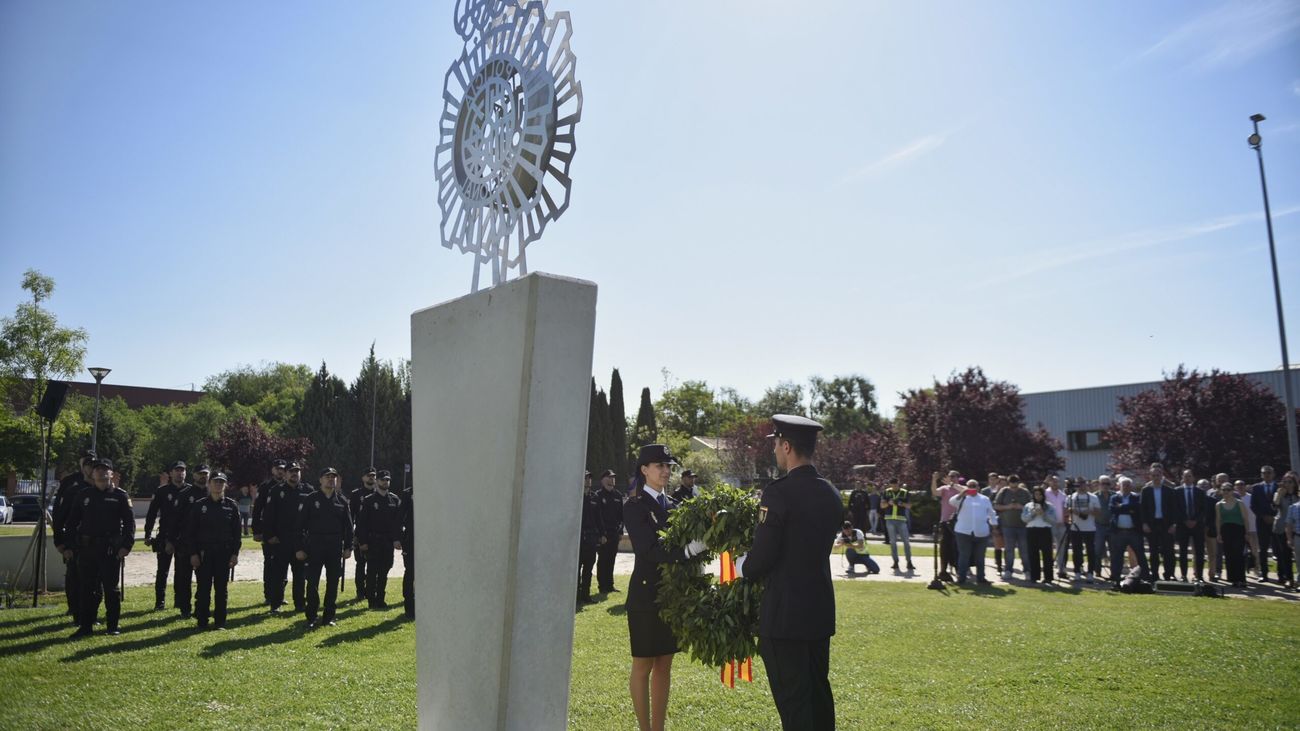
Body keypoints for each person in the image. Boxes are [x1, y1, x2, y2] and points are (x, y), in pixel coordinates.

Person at [734, 415, 841, 731]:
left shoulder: (779, 493)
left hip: (785, 616)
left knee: (795, 705)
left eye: (777, 445)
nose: (775, 452)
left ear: (788, 446)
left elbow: (764, 557)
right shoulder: (831, 492)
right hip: (819, 611)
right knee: (818, 697)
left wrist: (742, 565)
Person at [623, 444, 707, 731]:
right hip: (646, 595)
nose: (666, 470)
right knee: (643, 665)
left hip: (671, 595)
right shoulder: (634, 506)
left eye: (668, 466)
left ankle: (658, 727)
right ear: (644, 470)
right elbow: (648, 549)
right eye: (659, 465)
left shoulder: (672, 505)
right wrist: (685, 552)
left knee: (664, 664)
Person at [64, 457, 135, 637]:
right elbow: (71, 523)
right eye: (98, 470)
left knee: (111, 590)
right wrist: (69, 545)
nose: (102, 473)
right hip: (87, 550)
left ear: (111, 473)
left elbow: (129, 524)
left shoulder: (120, 496)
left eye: (105, 470)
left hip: (110, 550)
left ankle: (112, 626)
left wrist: (126, 546)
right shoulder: (84, 495)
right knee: (87, 589)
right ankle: (85, 626)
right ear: (92, 474)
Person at [296, 467, 353, 628]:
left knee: (333, 582)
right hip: (314, 545)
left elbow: (348, 527)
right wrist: (299, 548)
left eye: (333, 477)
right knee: (312, 581)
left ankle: (329, 617)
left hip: (334, 546)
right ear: (320, 480)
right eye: (327, 477)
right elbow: (299, 526)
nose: (331, 479)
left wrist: (348, 547)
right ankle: (312, 616)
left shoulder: (342, 501)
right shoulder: (311, 499)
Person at [185, 471, 241, 630]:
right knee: (203, 588)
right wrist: (193, 554)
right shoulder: (199, 505)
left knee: (221, 589)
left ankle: (220, 622)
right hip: (204, 553)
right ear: (209, 484)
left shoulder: (231, 506)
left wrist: (235, 554)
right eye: (215, 481)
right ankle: (202, 621)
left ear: (225, 485)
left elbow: (236, 534)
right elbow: (190, 533)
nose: (218, 485)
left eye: (221, 482)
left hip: (224, 553)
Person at [52, 451, 97, 623]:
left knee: (93, 579)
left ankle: (89, 612)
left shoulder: (101, 487)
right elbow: (59, 513)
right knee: (74, 576)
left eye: (93, 464)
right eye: (87, 463)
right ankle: (74, 608)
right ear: (81, 464)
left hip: (94, 542)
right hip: (74, 540)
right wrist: (60, 541)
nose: (90, 467)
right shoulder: (71, 484)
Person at [263, 461, 313, 613]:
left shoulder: (308, 490)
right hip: (281, 539)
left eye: (297, 471)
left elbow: (313, 516)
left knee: (300, 575)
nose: (294, 473)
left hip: (301, 540)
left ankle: (299, 604)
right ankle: (275, 604)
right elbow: (268, 516)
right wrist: (269, 536)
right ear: (285, 474)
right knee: (278, 574)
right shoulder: (276, 490)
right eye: (291, 471)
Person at [167, 463, 211, 618]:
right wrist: (171, 541)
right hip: (185, 544)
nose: (203, 476)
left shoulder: (212, 494)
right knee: (184, 578)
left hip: (205, 544)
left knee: (204, 579)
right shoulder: (185, 493)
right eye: (200, 473)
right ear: (194, 475)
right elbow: (175, 520)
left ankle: (201, 608)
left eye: (205, 473)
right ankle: (185, 609)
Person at [143, 460, 188, 611]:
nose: (180, 473)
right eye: (177, 470)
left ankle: (179, 601)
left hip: (183, 538)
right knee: (162, 571)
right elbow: (152, 513)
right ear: (171, 473)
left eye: (182, 470)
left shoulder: (190, 491)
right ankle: (160, 602)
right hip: (165, 535)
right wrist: (148, 533)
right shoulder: (162, 491)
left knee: (181, 571)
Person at [357, 469, 402, 609]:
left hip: (388, 542)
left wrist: (397, 539)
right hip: (373, 541)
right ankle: (371, 600)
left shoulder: (394, 500)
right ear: (377, 482)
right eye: (382, 479)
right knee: (372, 572)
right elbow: (361, 523)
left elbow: (397, 523)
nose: (385, 482)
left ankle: (381, 599)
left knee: (384, 571)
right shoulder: (369, 500)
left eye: (387, 480)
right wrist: (362, 542)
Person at [251, 458, 286, 608]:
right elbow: (257, 509)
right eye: (278, 468)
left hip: (285, 532)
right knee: (270, 564)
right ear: (273, 470)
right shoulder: (266, 487)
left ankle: (280, 595)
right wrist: (257, 531)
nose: (280, 471)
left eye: (283, 469)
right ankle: (269, 595)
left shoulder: (288, 486)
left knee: (283, 565)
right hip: (269, 532)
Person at [1139, 463, 1182, 581]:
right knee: (1153, 552)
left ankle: (1169, 574)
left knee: (1168, 551)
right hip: (1152, 525)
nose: (1156, 477)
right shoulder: (1146, 490)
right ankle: (1155, 574)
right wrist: (1144, 523)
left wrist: (1174, 524)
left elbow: (1174, 509)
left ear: (1162, 476)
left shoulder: (1169, 490)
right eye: (1153, 475)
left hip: (1166, 524)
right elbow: (1142, 509)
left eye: (1158, 475)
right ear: (1150, 476)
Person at [949, 479, 995, 585]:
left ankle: (981, 578)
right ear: (966, 486)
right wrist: (962, 493)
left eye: (974, 485)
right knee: (964, 555)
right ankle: (962, 578)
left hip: (981, 532)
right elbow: (951, 502)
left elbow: (991, 513)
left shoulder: (985, 499)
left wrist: (994, 524)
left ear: (978, 487)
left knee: (980, 556)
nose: (972, 488)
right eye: (970, 485)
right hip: (963, 531)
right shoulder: (962, 498)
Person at [1109, 477, 1149, 584]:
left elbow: (1137, 508)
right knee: (1117, 556)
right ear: (1120, 486)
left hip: (1134, 532)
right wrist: (1129, 509)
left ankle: (1145, 576)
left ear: (1131, 486)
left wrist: (1121, 507)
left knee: (1140, 555)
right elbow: (1112, 509)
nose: (1126, 487)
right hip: (1119, 532)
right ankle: (1115, 576)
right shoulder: (1114, 497)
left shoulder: (1136, 497)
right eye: (1124, 485)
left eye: (1128, 485)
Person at [349, 467, 378, 599]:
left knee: (375, 565)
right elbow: (351, 517)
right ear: (363, 478)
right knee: (361, 564)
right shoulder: (356, 494)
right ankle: (360, 591)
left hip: (376, 535)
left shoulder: (380, 493)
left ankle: (373, 589)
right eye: (368, 475)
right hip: (361, 534)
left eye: (373, 475)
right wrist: (353, 536)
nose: (371, 477)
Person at [1173, 469, 1207, 582]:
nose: (1187, 478)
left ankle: (1199, 576)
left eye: (1189, 476)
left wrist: (1195, 520)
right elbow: (1176, 508)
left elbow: (1203, 509)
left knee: (1199, 551)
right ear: (1182, 478)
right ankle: (1183, 575)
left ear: (1193, 478)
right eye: (1185, 476)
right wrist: (1185, 520)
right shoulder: (1177, 491)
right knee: (1183, 551)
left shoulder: (1200, 492)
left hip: (1197, 525)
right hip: (1183, 525)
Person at [1216, 484, 1252, 588]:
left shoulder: (1239, 503)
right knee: (1229, 555)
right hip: (1226, 531)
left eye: (1228, 490)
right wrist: (1219, 534)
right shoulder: (1219, 504)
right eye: (1223, 490)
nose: (1226, 492)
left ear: (1232, 491)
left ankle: (1241, 579)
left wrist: (1247, 532)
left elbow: (1245, 518)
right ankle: (1233, 579)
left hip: (1238, 530)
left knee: (1238, 555)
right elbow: (1218, 520)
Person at [994, 476, 1030, 580]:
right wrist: (1008, 507)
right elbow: (996, 506)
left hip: (1023, 525)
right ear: (1009, 482)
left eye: (1016, 482)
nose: (1014, 484)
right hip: (1007, 526)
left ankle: (1027, 570)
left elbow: (1032, 506)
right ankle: (1008, 570)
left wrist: (1021, 507)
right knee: (1009, 550)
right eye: (1012, 482)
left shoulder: (1025, 492)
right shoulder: (1003, 491)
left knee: (1024, 550)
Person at [595, 468, 624, 594]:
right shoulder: (598, 496)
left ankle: (610, 585)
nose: (611, 480)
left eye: (613, 478)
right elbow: (597, 517)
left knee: (611, 559)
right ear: (602, 480)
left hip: (614, 534)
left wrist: (621, 531)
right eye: (609, 477)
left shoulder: (618, 495)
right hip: (603, 534)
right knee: (603, 560)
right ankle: (602, 586)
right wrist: (601, 534)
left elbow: (622, 516)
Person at [1064, 481, 1100, 582]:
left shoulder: (1093, 497)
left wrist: (1089, 511)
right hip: (1075, 528)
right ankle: (1077, 571)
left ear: (1086, 485)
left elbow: (1098, 512)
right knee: (1076, 551)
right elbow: (1065, 511)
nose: (1081, 487)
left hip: (1090, 528)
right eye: (1079, 485)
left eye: (1083, 484)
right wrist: (1075, 511)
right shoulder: (1071, 497)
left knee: (1090, 551)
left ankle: (1090, 572)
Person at [930, 470, 962, 583]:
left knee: (958, 547)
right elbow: (934, 492)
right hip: (945, 521)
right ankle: (943, 571)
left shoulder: (961, 488)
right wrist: (934, 480)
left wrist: (953, 484)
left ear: (958, 478)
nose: (951, 478)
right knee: (944, 547)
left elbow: (966, 492)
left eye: (954, 477)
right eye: (950, 477)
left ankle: (959, 570)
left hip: (960, 522)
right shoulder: (944, 489)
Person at [577, 471, 603, 605]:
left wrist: (602, 534)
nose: (588, 481)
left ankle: (585, 595)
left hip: (591, 539)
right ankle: (575, 596)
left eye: (589, 478)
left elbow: (599, 518)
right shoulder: (576, 497)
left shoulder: (594, 497)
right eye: (585, 478)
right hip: (579, 538)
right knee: (577, 569)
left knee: (588, 569)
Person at [1022, 486, 1056, 584]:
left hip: (1045, 531)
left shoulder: (1049, 506)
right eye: (1036, 494)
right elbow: (1024, 518)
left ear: (1043, 495)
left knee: (1047, 555)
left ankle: (1048, 577)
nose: (1038, 496)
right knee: (1033, 554)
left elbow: (1054, 520)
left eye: (1040, 494)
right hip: (1032, 531)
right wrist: (1033, 514)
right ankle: (1034, 576)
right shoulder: (1028, 506)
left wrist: (1043, 514)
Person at [1251, 466, 1279, 581]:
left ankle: (1282, 575)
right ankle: (1264, 573)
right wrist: (1263, 516)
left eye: (1269, 473)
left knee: (1279, 548)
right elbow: (1253, 505)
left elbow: (1282, 505)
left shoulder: (1279, 487)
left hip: (1277, 521)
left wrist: (1274, 517)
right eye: (1264, 473)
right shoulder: (1257, 488)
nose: (1267, 475)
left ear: (1273, 474)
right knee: (1262, 549)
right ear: (1261, 475)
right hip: (1262, 522)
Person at [881, 477, 914, 572]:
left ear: (898, 484)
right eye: (892, 484)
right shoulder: (886, 492)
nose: (894, 486)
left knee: (906, 542)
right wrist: (889, 503)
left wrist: (901, 503)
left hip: (901, 520)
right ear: (890, 484)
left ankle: (909, 561)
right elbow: (882, 506)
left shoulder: (904, 492)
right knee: (893, 542)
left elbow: (909, 506)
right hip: (890, 519)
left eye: (896, 484)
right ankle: (895, 561)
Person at [1270, 472, 1297, 590]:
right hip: (1281, 527)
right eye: (1284, 482)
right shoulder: (1279, 493)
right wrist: (1279, 496)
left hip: (1296, 528)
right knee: (1284, 554)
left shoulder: (1297, 495)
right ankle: (1288, 578)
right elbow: (1274, 507)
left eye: (1289, 482)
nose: (1287, 484)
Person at [1042, 476, 1068, 578]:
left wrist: (1065, 520)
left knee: (1061, 548)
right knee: (1048, 547)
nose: (1055, 483)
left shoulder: (1063, 495)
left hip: (1061, 524)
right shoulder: (1045, 493)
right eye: (1053, 482)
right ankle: (1048, 568)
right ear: (1049, 483)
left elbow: (1065, 508)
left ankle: (1061, 569)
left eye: (1057, 482)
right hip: (1049, 524)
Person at [982, 474, 1005, 575]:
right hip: (986, 517)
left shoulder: (1003, 490)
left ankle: (999, 562)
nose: (993, 481)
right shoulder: (985, 491)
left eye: (995, 479)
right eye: (991, 479)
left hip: (999, 518)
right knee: (984, 540)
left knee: (998, 541)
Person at [1093, 476, 1115, 580]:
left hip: (1112, 527)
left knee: (1114, 550)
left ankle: (1114, 572)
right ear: (1099, 484)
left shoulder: (1115, 496)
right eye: (1103, 483)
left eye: (1107, 484)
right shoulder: (1094, 496)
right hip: (1099, 526)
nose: (1105, 486)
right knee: (1097, 550)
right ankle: (1097, 571)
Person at [401, 480, 415, 618]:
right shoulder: (407, 494)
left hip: (428, 540)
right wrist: (398, 538)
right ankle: (409, 607)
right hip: (411, 539)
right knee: (410, 572)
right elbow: (399, 517)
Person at [1285, 490, 1300, 591]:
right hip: (1298, 537)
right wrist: (1289, 539)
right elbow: (1289, 524)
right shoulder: (1293, 507)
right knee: (1299, 561)